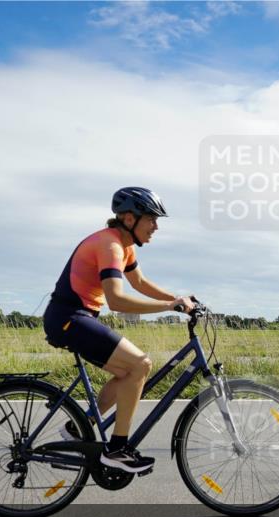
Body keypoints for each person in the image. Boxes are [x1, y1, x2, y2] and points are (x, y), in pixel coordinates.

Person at [43, 187, 194, 474]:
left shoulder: (123, 247)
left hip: (77, 316)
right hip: (68, 318)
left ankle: (80, 426)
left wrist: (179, 300)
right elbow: (116, 300)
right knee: (140, 365)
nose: (156, 227)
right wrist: (168, 307)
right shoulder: (110, 245)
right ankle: (118, 449)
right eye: (151, 219)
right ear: (128, 219)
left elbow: (139, 282)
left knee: (129, 371)